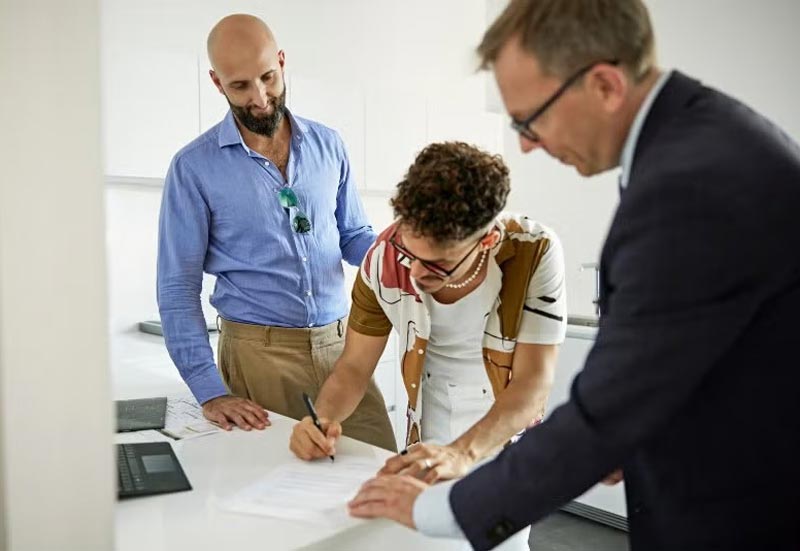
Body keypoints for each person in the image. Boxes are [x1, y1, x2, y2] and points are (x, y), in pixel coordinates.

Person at [347, 1, 800, 549]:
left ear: (605, 85)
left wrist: (441, 510)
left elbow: (607, 406)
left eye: (529, 119)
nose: (526, 144)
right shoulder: (697, 142)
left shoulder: (688, 186)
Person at [289, 141, 567, 550]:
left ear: (485, 242)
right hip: (430, 418)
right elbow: (353, 368)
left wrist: (462, 453)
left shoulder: (534, 250)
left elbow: (533, 383)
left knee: (499, 540)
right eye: (408, 250)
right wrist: (322, 419)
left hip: (504, 424)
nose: (414, 272)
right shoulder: (383, 257)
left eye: (436, 264)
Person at [157, 14, 396, 451]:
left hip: (343, 347)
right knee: (284, 496)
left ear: (282, 62)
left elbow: (353, 235)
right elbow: (177, 287)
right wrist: (209, 390)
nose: (261, 98)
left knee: (381, 469)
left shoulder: (329, 145)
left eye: (268, 77)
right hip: (257, 355)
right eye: (240, 86)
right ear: (217, 83)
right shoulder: (193, 168)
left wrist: (398, 258)